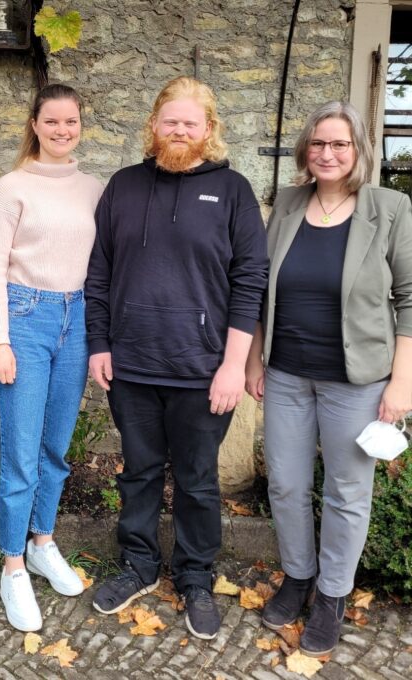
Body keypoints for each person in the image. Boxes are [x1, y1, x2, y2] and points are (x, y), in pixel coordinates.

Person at [85, 76, 268, 640]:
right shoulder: (122, 185)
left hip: (204, 370)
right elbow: (99, 273)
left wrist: (234, 364)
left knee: (196, 480)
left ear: (208, 129)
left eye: (191, 122)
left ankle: (194, 578)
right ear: (154, 124)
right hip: (132, 365)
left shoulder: (233, 191)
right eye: (171, 121)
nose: (180, 131)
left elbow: (250, 282)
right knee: (138, 473)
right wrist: (99, 344)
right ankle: (139, 566)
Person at [244, 101, 412, 656]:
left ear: (359, 150)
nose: (328, 153)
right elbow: (263, 285)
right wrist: (253, 360)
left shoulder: (389, 208)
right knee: (286, 485)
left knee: (346, 492)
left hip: (357, 380)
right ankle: (298, 577)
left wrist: (402, 383)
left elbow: (410, 300)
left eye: (339, 144)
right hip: (288, 374)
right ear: (305, 150)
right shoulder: (289, 203)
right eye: (318, 143)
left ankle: (333, 594)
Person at [0, 84, 103, 632]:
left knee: (56, 447)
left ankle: (42, 543)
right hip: (24, 318)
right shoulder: (11, 188)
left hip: (75, 320)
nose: (62, 131)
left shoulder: (93, 189)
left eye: (71, 122)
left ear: (81, 125)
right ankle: (11, 566)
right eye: (51, 122)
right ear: (34, 124)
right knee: (21, 453)